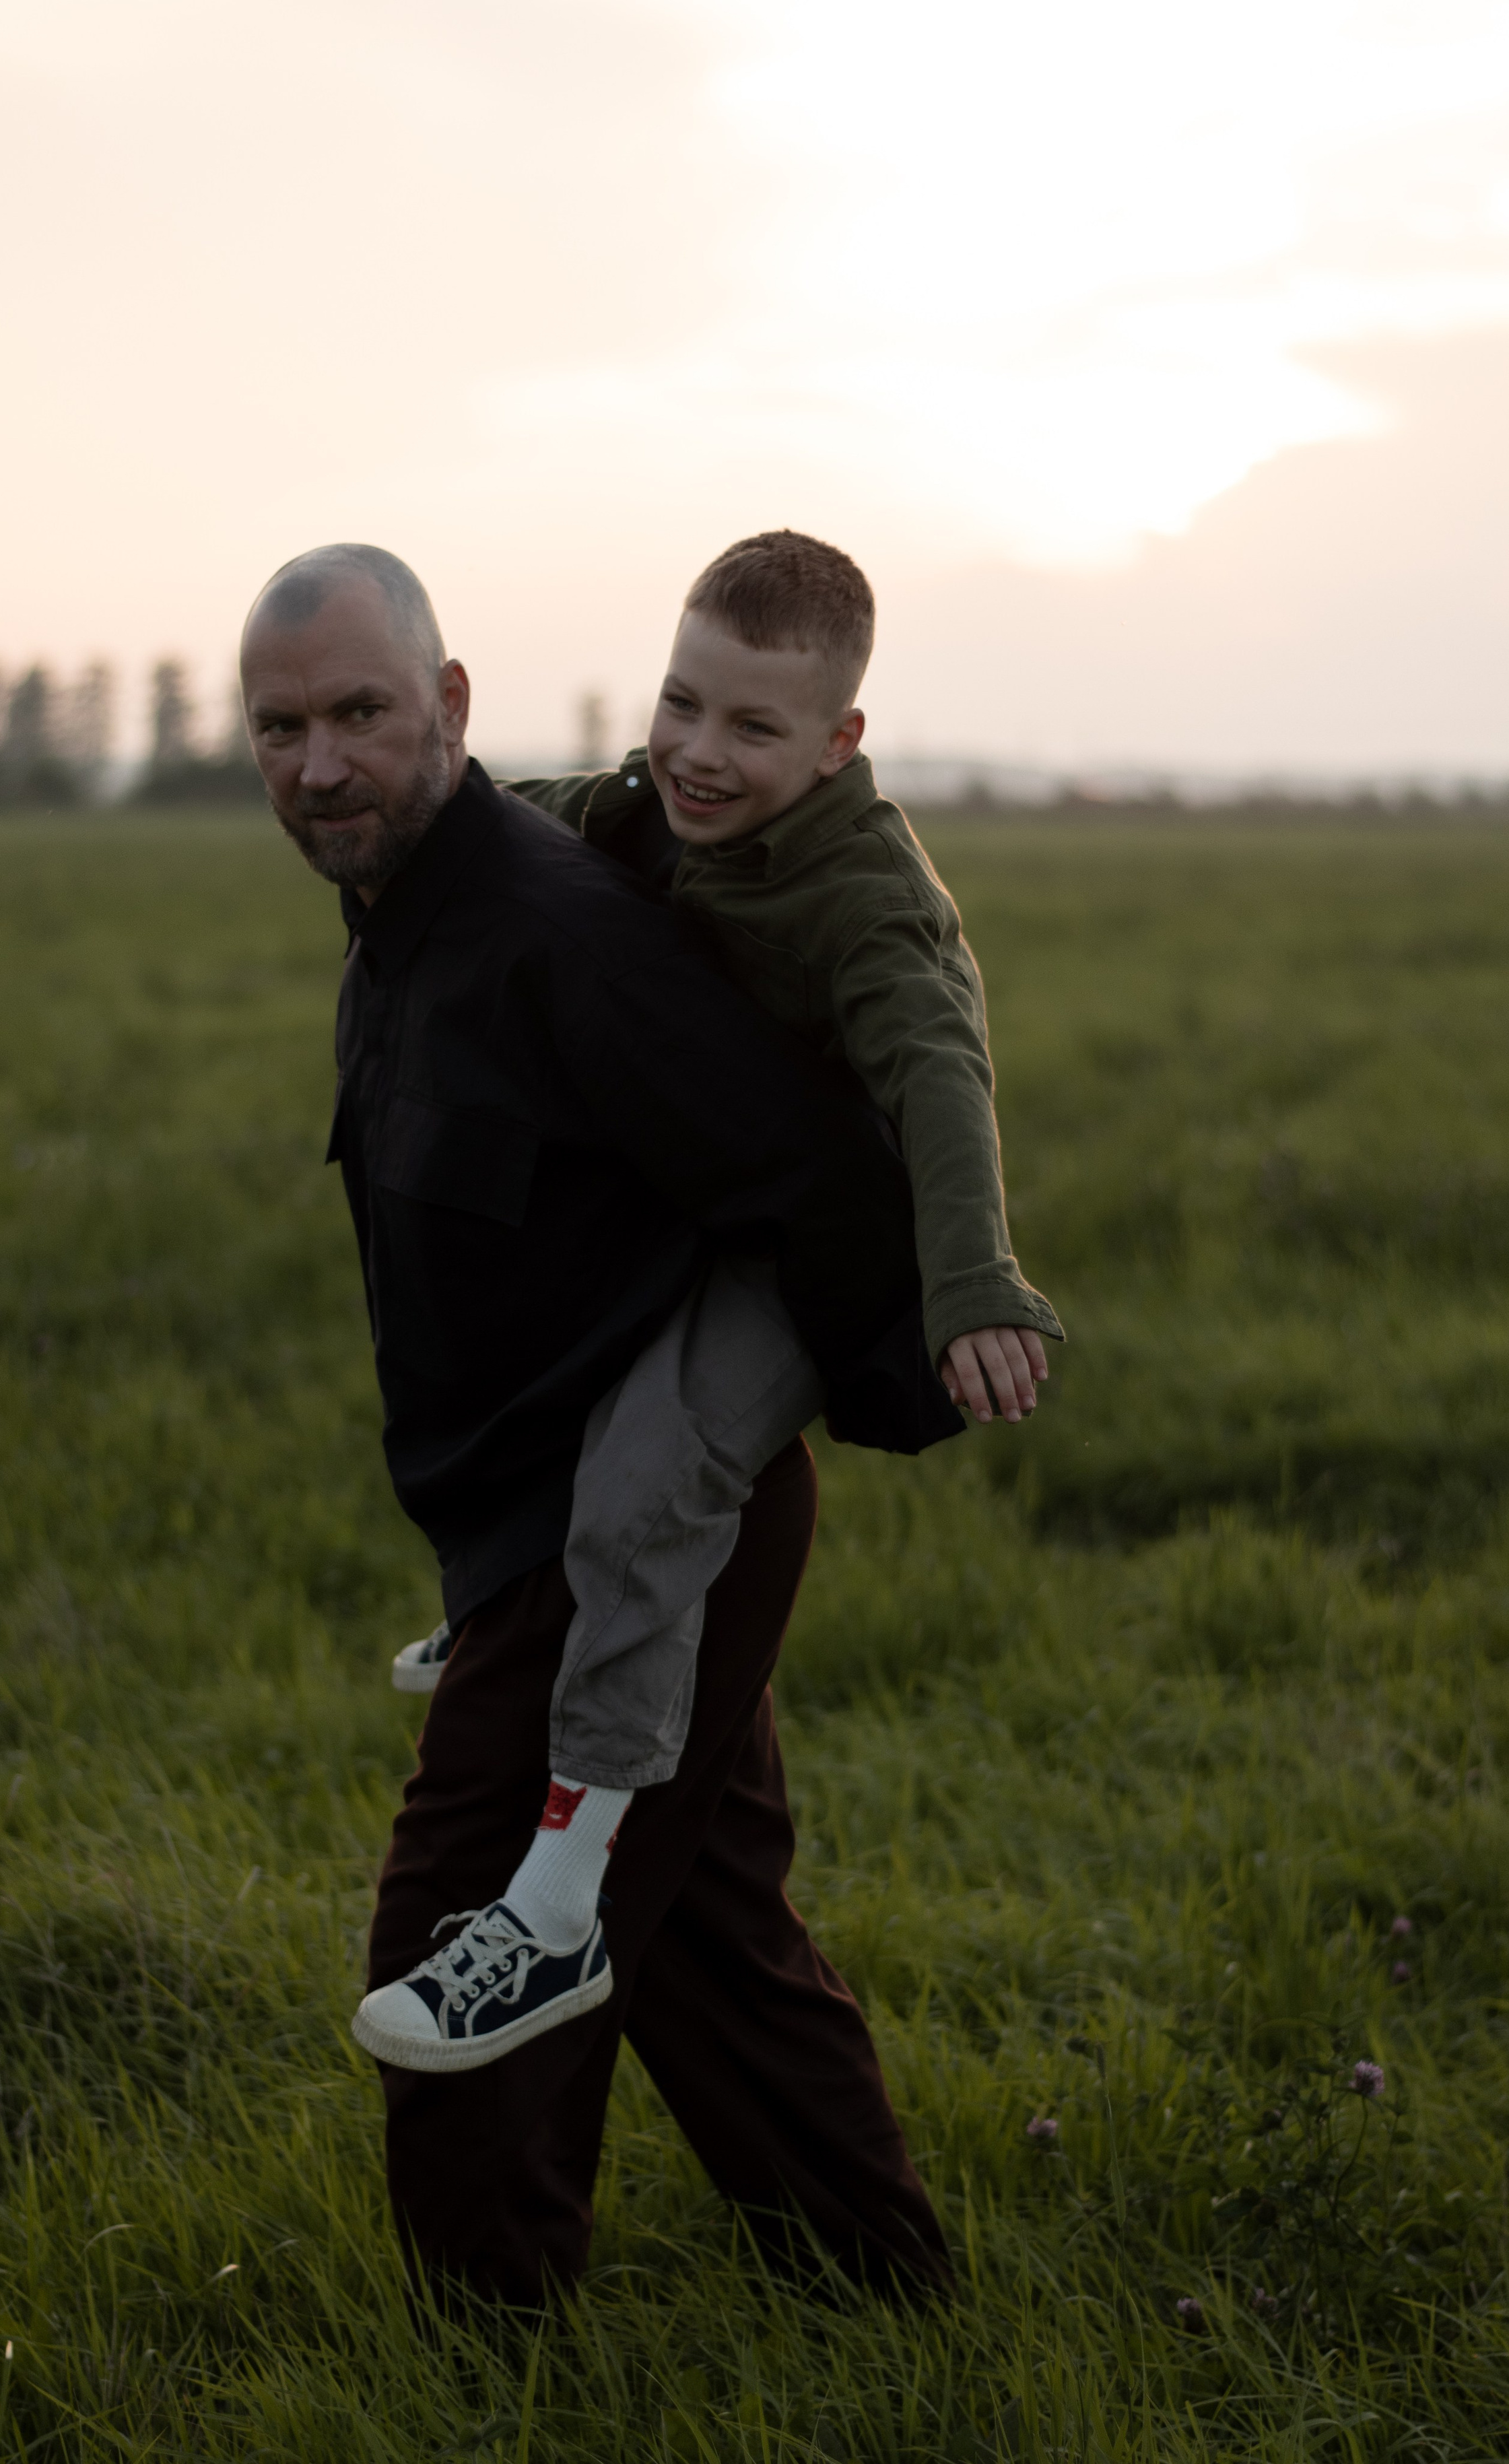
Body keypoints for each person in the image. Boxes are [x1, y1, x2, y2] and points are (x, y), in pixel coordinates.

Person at [241, 541, 955, 2304]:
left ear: (449, 704)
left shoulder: (561, 934)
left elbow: (824, 1176)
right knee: (704, 1928)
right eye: (280, 729)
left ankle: (483, 2362)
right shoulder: (405, 915)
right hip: (550, 1529)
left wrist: (898, 1382)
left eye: (359, 715)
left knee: (452, 1936)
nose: (319, 765)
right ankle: (882, 2292)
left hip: (620, 1532)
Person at [363, 531, 1062, 2074]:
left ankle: (555, 1909)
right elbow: (533, 835)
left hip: (823, 1248)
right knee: (554, 1328)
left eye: (752, 728)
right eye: (683, 702)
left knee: (652, 1477)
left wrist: (974, 1285)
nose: (696, 750)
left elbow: (938, 1073)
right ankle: (515, 1620)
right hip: (710, 1190)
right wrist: (409, 799)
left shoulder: (869, 899)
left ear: (837, 742)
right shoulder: (659, 801)